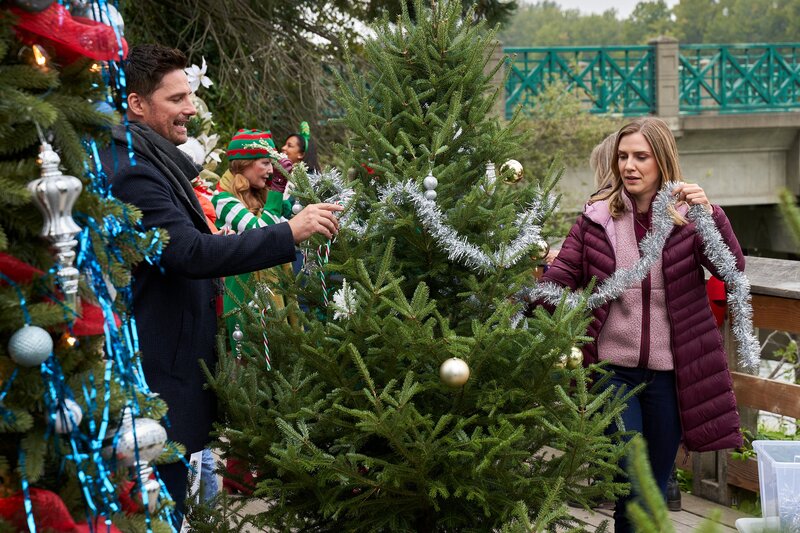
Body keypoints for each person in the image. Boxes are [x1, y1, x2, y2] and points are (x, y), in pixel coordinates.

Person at [98, 44, 342, 516]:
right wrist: (288, 232)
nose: (191, 108)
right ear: (136, 103)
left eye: (189, 96)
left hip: (173, 378)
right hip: (156, 385)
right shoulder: (132, 170)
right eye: (176, 99)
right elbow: (187, 253)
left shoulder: (153, 159)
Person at [532, 117, 744, 532]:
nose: (629, 166)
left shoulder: (690, 218)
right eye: (623, 156)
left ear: (661, 161)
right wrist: (518, 303)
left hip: (671, 376)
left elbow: (731, 269)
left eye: (640, 157)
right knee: (632, 481)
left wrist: (710, 215)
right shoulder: (597, 219)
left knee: (653, 491)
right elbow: (559, 281)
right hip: (613, 373)